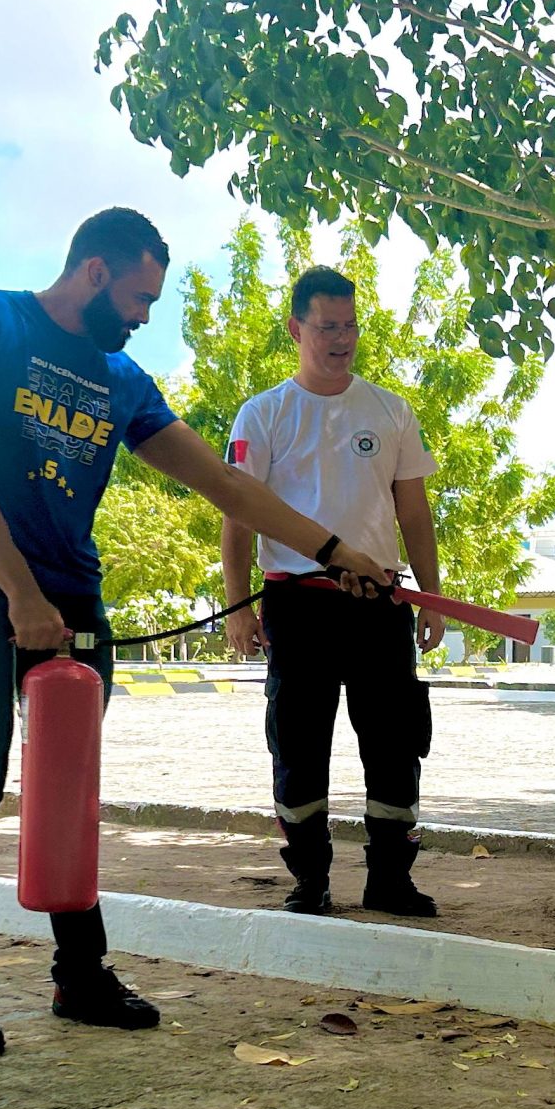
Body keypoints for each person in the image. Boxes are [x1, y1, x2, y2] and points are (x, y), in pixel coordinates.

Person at [0, 208, 394, 1056]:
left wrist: (333, 551)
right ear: (95, 272)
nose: (144, 317)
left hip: (74, 602)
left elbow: (225, 484)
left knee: (68, 792)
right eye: (140, 298)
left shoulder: (120, 378)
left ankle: (79, 976)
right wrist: (20, 594)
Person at [221, 265, 444, 918]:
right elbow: (236, 517)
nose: (341, 339)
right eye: (327, 327)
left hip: (380, 603)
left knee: (396, 742)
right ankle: (309, 878)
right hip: (297, 605)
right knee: (298, 744)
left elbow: (415, 514)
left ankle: (390, 880)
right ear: (297, 329)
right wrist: (238, 609)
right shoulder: (264, 414)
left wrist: (432, 597)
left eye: (349, 326)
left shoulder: (390, 410)